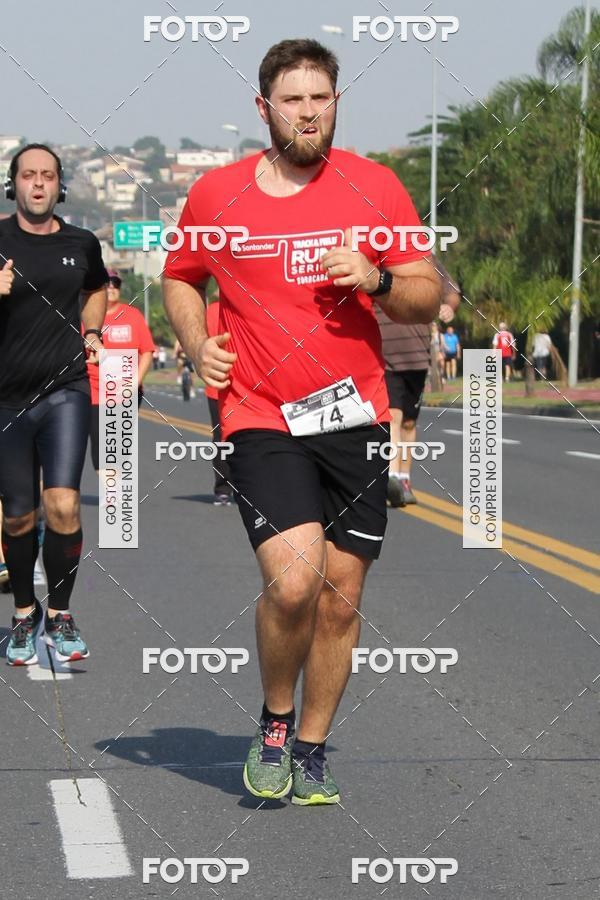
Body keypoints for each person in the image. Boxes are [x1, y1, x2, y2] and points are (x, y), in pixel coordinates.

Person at [163, 39, 441, 805]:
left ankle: (312, 749)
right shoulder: (217, 196)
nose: (309, 111)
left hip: (353, 415)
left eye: (321, 96)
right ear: (265, 108)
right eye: (293, 98)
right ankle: (276, 723)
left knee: (341, 596)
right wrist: (195, 341)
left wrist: (378, 277)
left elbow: (425, 291)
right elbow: (181, 278)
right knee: (294, 583)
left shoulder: (375, 187)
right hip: (261, 414)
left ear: (336, 103)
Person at [0, 143, 108, 665]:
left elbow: (96, 288)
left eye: (47, 176)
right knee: (19, 518)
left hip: (65, 389)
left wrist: (92, 329)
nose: (38, 184)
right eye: (28, 175)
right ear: (13, 184)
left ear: (60, 184)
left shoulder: (81, 242)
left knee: (63, 503)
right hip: (6, 401)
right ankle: (24, 613)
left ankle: (60, 612)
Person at [376, 259, 460, 507]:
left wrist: (449, 307)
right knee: (393, 416)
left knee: (410, 421)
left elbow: (452, 292)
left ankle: (403, 478)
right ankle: (391, 476)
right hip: (383, 354)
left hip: (417, 356)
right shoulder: (373, 254)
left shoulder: (426, 260)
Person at [86, 269, 155, 473]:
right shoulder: (88, 318)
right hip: (96, 392)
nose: (112, 288)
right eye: (107, 284)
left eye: (115, 284)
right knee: (101, 449)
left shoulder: (132, 315)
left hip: (127, 392)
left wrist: (135, 383)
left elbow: (147, 351)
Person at [205, 300, 233, 505]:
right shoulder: (212, 310)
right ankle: (222, 487)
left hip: (251, 386)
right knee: (221, 437)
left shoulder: (249, 302)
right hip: (218, 385)